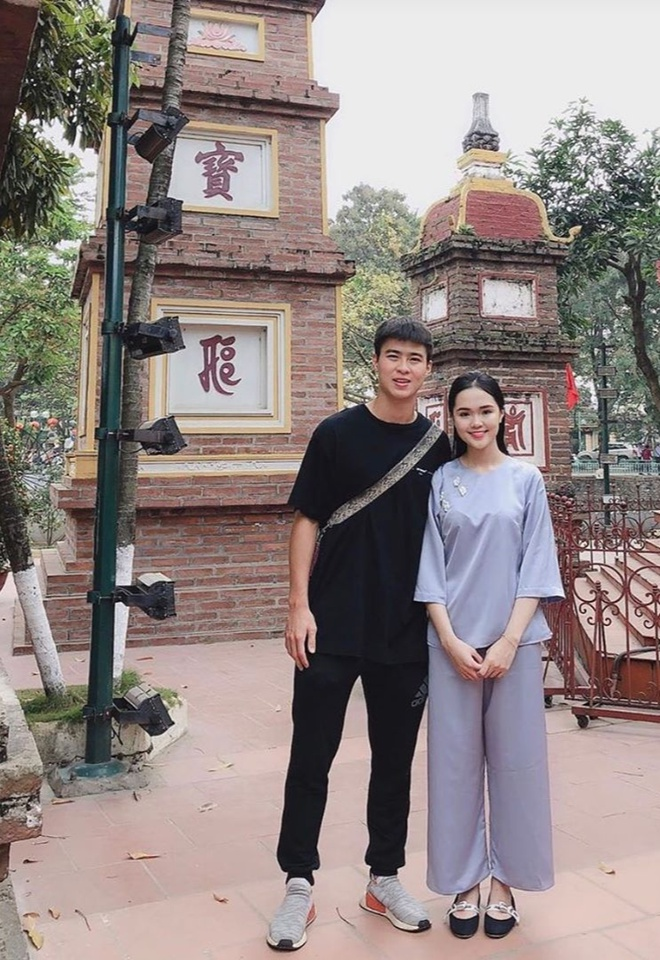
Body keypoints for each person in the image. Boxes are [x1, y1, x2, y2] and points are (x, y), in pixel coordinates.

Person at [267, 318, 452, 951]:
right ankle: (298, 883)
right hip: (331, 623)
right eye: (394, 356)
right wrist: (298, 605)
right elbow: (307, 520)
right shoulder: (337, 434)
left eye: (416, 358)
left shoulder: (438, 448)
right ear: (376, 362)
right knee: (310, 756)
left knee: (394, 760)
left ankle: (385, 877)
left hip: (405, 629)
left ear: (428, 369)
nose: (404, 367)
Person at [414, 371, 564, 941]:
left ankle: (506, 883)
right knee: (452, 768)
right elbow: (429, 569)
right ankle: (464, 882)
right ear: (450, 420)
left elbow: (536, 563)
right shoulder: (441, 481)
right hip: (451, 646)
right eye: (464, 413)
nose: (475, 422)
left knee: (518, 766)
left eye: (485, 411)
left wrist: (507, 640)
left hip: (514, 646)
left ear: (503, 414)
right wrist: (451, 640)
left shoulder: (526, 480)